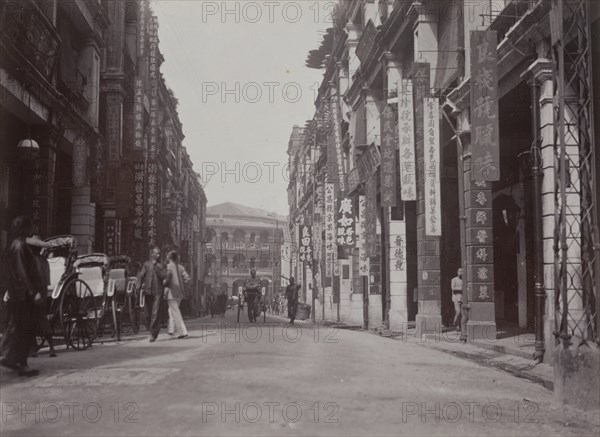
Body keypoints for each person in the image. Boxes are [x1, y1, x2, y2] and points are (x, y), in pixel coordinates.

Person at [1, 216, 44, 376]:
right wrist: (33, 291)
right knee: (25, 329)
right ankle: (22, 364)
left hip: (16, 293)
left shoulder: (14, 246)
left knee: (20, 328)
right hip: (22, 294)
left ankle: (13, 359)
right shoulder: (19, 246)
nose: (33, 229)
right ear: (24, 228)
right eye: (30, 226)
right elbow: (22, 272)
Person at [26, 233, 56, 358]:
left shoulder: (33, 260)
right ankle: (51, 347)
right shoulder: (43, 260)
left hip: (36, 293)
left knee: (34, 319)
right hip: (40, 292)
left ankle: (34, 348)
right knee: (40, 319)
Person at [136, 246, 171, 342]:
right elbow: (141, 275)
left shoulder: (162, 265)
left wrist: (156, 267)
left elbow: (164, 275)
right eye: (157, 253)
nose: (159, 255)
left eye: (160, 253)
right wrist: (138, 286)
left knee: (155, 313)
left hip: (158, 292)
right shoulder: (146, 264)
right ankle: (150, 328)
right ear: (152, 254)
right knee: (147, 314)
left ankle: (153, 334)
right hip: (148, 292)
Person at [164, 251, 191, 339]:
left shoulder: (168, 267)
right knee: (172, 310)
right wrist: (182, 284)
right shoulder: (181, 267)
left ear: (169, 258)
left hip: (171, 292)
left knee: (175, 311)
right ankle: (171, 329)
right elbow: (187, 278)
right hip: (180, 293)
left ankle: (183, 331)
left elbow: (165, 280)